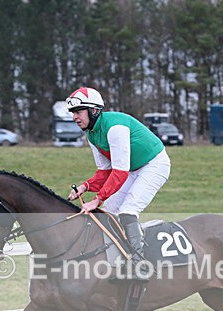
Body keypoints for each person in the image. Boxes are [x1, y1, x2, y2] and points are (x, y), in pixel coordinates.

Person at [66, 87, 170, 280]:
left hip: (154, 165)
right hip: (131, 169)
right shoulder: (91, 134)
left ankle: (140, 265)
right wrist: (85, 186)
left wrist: (97, 200)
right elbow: (104, 171)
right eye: (73, 113)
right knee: (109, 212)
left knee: (128, 211)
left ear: (94, 110)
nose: (75, 117)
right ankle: (116, 261)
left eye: (78, 112)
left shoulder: (115, 128)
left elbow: (119, 172)